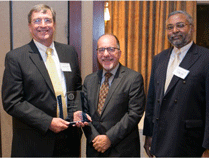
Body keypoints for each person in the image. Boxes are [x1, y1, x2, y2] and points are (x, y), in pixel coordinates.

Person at [1, 4, 84, 157]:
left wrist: (77, 110)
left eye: (48, 20)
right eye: (37, 21)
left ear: (54, 24)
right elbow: (12, 102)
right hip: (35, 142)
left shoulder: (69, 52)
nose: (43, 25)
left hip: (69, 140)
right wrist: (48, 122)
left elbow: (77, 87)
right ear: (30, 27)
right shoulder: (16, 58)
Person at [143, 10, 209, 157]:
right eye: (170, 27)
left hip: (191, 145)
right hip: (161, 141)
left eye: (180, 25)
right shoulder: (159, 59)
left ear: (192, 28)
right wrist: (149, 135)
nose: (175, 31)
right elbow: (152, 100)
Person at [82, 34, 145, 157]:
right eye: (101, 50)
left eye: (111, 49)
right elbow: (84, 114)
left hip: (122, 150)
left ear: (119, 53)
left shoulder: (133, 78)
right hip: (95, 150)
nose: (106, 54)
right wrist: (96, 138)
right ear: (97, 54)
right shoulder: (89, 80)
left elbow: (134, 114)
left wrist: (109, 138)